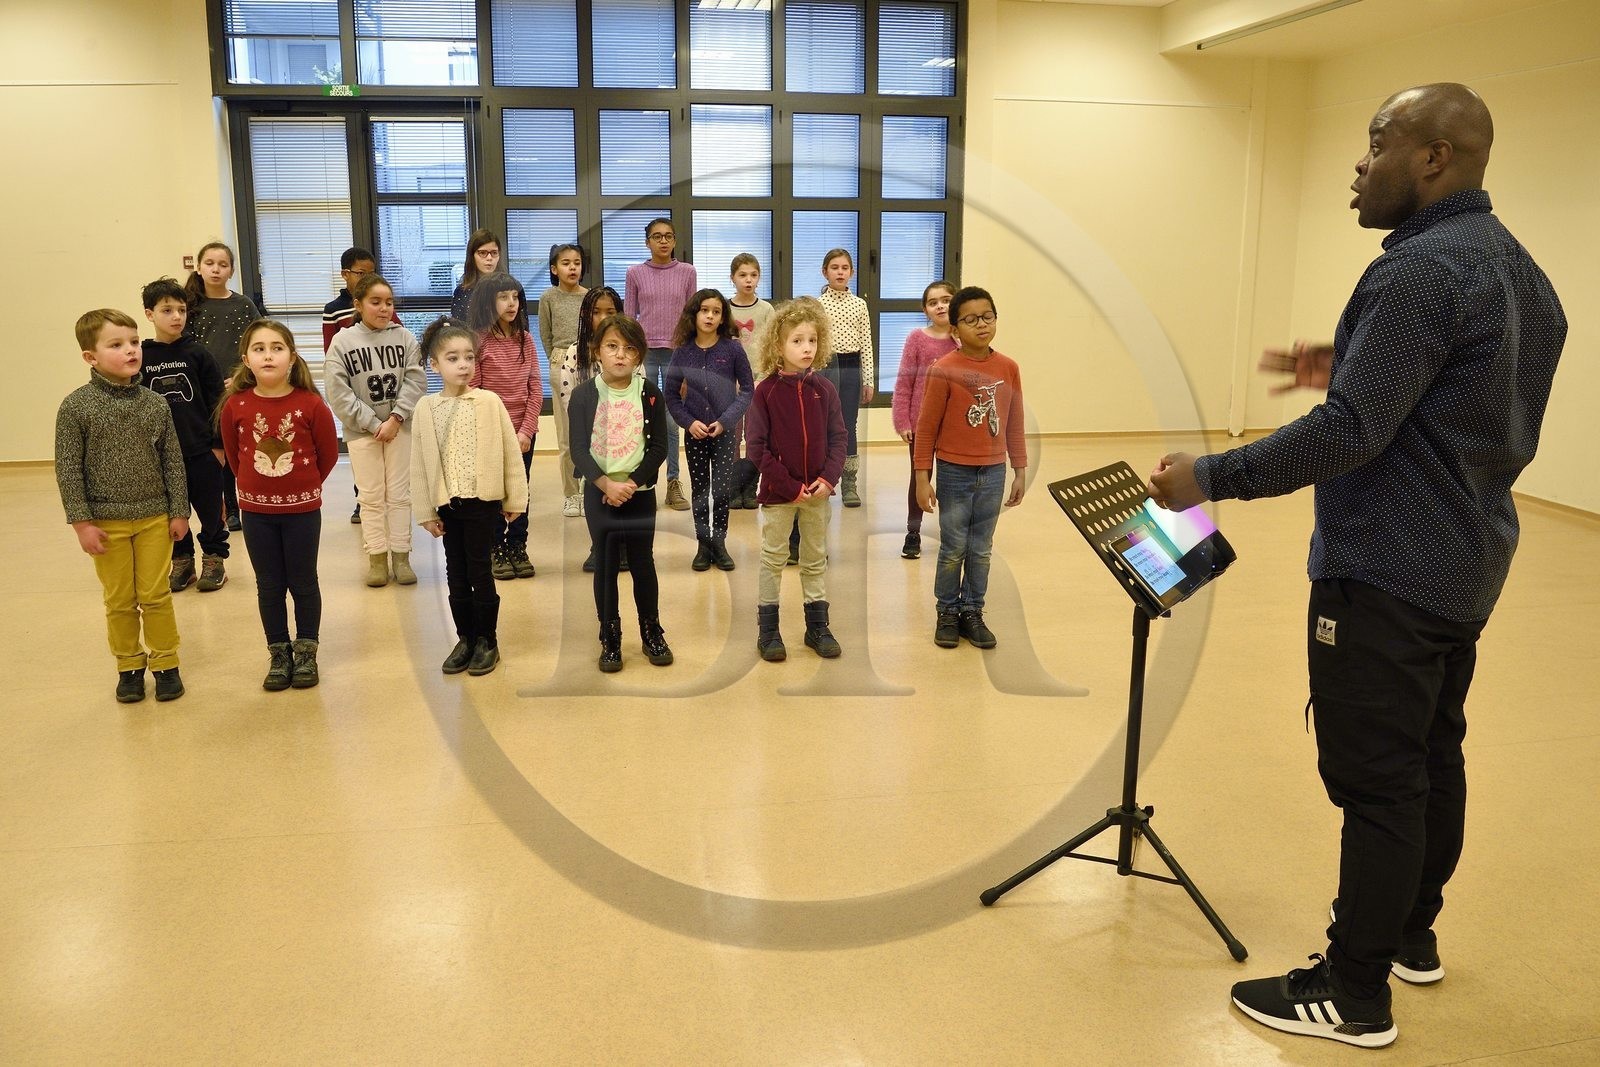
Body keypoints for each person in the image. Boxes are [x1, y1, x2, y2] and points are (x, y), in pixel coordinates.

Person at [1149, 83, 1566, 1051]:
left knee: (1376, 782)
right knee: (1429, 756)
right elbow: (1455, 394)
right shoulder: (1521, 274)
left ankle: (1353, 986)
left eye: (1375, 142)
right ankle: (1411, 932)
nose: (1357, 164)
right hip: (1463, 564)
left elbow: (1352, 427)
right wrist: (1340, 362)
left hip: (1383, 569)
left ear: (1432, 158)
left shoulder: (1420, 270)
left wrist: (1206, 478)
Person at [55, 308, 189, 704]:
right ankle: (129, 665)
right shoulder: (76, 407)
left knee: (155, 595)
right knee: (119, 599)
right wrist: (81, 523)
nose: (130, 350)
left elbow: (172, 460)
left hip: (154, 518)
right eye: (116, 345)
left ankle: (166, 663)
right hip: (106, 521)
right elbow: (68, 470)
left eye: (133, 342)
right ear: (90, 357)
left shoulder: (154, 403)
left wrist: (179, 509)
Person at [220, 320, 340, 691]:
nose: (268, 355)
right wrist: (259, 490)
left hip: (303, 512)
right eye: (259, 349)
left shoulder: (310, 404)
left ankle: (306, 652)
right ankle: (278, 654)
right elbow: (234, 456)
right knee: (269, 585)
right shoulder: (235, 405)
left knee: (303, 582)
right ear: (246, 359)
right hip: (256, 513)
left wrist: (301, 487)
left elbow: (329, 455)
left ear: (291, 357)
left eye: (276, 347)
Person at [411, 318, 528, 678]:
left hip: (483, 503)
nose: (463, 364)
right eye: (452, 358)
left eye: (468, 357)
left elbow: (511, 452)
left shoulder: (489, 402)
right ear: (435, 365)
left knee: (480, 569)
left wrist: (514, 499)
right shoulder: (425, 408)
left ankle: (487, 641)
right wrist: (426, 510)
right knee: (455, 573)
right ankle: (465, 637)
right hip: (449, 505)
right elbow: (418, 464)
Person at [913, 286, 1027, 650]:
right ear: (955, 329)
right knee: (953, 547)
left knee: (981, 547)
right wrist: (921, 478)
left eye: (988, 316)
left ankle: (972, 611)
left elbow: (1014, 422)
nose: (981, 325)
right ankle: (947, 612)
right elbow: (926, 427)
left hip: (993, 472)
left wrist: (1019, 469)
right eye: (971, 319)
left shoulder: (1008, 368)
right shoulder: (943, 369)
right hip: (954, 472)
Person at [566, 313, 672, 673]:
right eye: (612, 347)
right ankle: (609, 636)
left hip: (639, 493)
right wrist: (604, 484)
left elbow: (659, 447)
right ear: (597, 351)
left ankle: (651, 630)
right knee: (607, 565)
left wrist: (631, 483)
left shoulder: (650, 394)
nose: (620, 355)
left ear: (640, 355)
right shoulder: (583, 395)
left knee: (643, 564)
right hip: (600, 493)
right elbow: (578, 448)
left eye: (629, 349)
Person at [745, 297, 847, 662]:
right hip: (779, 494)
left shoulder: (826, 389)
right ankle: (769, 630)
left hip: (819, 493)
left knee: (815, 558)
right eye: (797, 341)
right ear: (778, 345)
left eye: (812, 341)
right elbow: (757, 448)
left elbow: (839, 438)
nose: (806, 348)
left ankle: (817, 627)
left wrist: (828, 479)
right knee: (773, 559)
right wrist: (789, 487)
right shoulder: (765, 393)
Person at [325, 273, 427, 588]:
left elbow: (416, 381)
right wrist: (372, 423)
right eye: (375, 302)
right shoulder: (342, 341)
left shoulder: (405, 338)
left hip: (400, 429)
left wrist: (395, 418)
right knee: (370, 497)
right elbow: (337, 391)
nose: (383, 309)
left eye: (389, 302)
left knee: (399, 495)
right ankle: (377, 558)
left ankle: (401, 556)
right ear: (358, 304)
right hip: (362, 433)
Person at [140, 276, 229, 593]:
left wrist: (218, 447)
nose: (176, 316)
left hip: (201, 451)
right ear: (150, 314)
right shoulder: (141, 358)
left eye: (181, 310)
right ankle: (183, 560)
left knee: (209, 511)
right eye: (167, 310)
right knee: (171, 513)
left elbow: (219, 401)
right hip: (161, 457)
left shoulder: (199, 354)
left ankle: (215, 557)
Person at [665, 289, 755, 573]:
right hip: (695, 434)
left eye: (716, 311)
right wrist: (688, 422)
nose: (710, 316)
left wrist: (726, 421)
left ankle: (720, 543)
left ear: (722, 317)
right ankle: (704, 545)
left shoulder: (732, 349)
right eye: (705, 310)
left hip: (725, 433)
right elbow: (670, 395)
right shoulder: (683, 351)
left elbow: (747, 391)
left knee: (722, 489)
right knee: (702, 489)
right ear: (695, 314)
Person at [467, 272, 543, 581]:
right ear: (489, 302)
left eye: (515, 297)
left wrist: (526, 431)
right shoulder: (479, 340)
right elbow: (475, 393)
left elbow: (535, 389)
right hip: (492, 432)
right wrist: (499, 434)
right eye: (503, 298)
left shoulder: (525, 338)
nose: (511, 304)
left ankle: (517, 546)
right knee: (494, 492)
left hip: (523, 432)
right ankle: (495, 547)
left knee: (520, 490)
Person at [183, 240, 259, 531]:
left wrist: (241, 377)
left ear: (231, 271)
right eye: (210, 263)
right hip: (200, 391)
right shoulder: (190, 306)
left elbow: (257, 341)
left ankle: (243, 503)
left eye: (223, 264)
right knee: (214, 451)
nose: (216, 269)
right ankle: (226, 507)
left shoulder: (243, 305)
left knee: (236, 447)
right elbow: (186, 348)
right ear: (199, 267)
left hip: (237, 388)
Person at [624, 217, 697, 512]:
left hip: (677, 354)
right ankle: (642, 481)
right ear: (648, 242)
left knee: (670, 420)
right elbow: (629, 317)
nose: (663, 241)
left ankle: (674, 482)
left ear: (675, 240)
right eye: (657, 237)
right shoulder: (635, 273)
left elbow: (693, 316)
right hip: (645, 354)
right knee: (640, 418)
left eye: (668, 236)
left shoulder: (687, 272)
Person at [559, 286, 624, 574]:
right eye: (596, 312)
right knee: (595, 493)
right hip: (591, 441)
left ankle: (622, 547)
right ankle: (598, 545)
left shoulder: (628, 349)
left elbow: (641, 389)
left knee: (622, 493)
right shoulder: (575, 352)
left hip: (624, 438)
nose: (602, 318)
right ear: (586, 315)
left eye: (609, 312)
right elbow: (567, 396)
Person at [891, 280, 957, 560]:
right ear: (925, 309)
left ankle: (953, 534)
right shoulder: (917, 339)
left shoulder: (963, 338)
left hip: (954, 425)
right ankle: (913, 532)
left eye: (946, 300)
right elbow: (905, 382)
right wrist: (903, 420)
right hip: (921, 424)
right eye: (933, 302)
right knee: (920, 476)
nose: (940, 305)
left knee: (954, 480)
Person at [323, 246, 376, 526]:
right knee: (360, 449)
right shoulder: (333, 311)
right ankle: (362, 500)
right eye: (361, 273)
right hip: (354, 393)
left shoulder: (379, 303)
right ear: (345, 274)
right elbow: (330, 351)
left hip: (381, 388)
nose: (367, 278)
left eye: (372, 273)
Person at [817, 248, 874, 509]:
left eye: (844, 268)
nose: (840, 272)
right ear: (825, 272)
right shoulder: (817, 305)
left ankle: (849, 482)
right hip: (826, 366)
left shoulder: (859, 304)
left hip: (851, 365)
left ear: (852, 272)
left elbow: (867, 343)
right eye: (834, 267)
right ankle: (824, 477)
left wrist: (868, 379)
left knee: (847, 423)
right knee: (822, 422)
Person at [539, 242, 589, 519]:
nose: (572, 267)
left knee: (593, 431)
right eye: (566, 263)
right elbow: (546, 335)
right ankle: (571, 495)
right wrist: (558, 360)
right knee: (567, 435)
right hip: (561, 362)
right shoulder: (549, 297)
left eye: (577, 262)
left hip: (589, 360)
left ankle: (592, 488)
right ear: (554, 268)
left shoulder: (590, 296)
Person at [727, 253, 774, 510]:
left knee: (755, 436)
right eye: (742, 275)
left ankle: (750, 487)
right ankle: (733, 489)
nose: (748, 280)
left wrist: (764, 379)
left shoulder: (766, 309)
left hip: (759, 382)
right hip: (731, 383)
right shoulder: (725, 308)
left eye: (753, 275)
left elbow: (773, 346)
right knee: (732, 437)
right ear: (732, 278)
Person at [450, 228, 502, 322]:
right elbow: (457, 332)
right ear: (472, 256)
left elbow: (523, 330)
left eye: (494, 253)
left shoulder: (511, 288)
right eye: (482, 253)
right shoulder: (462, 292)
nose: (489, 258)